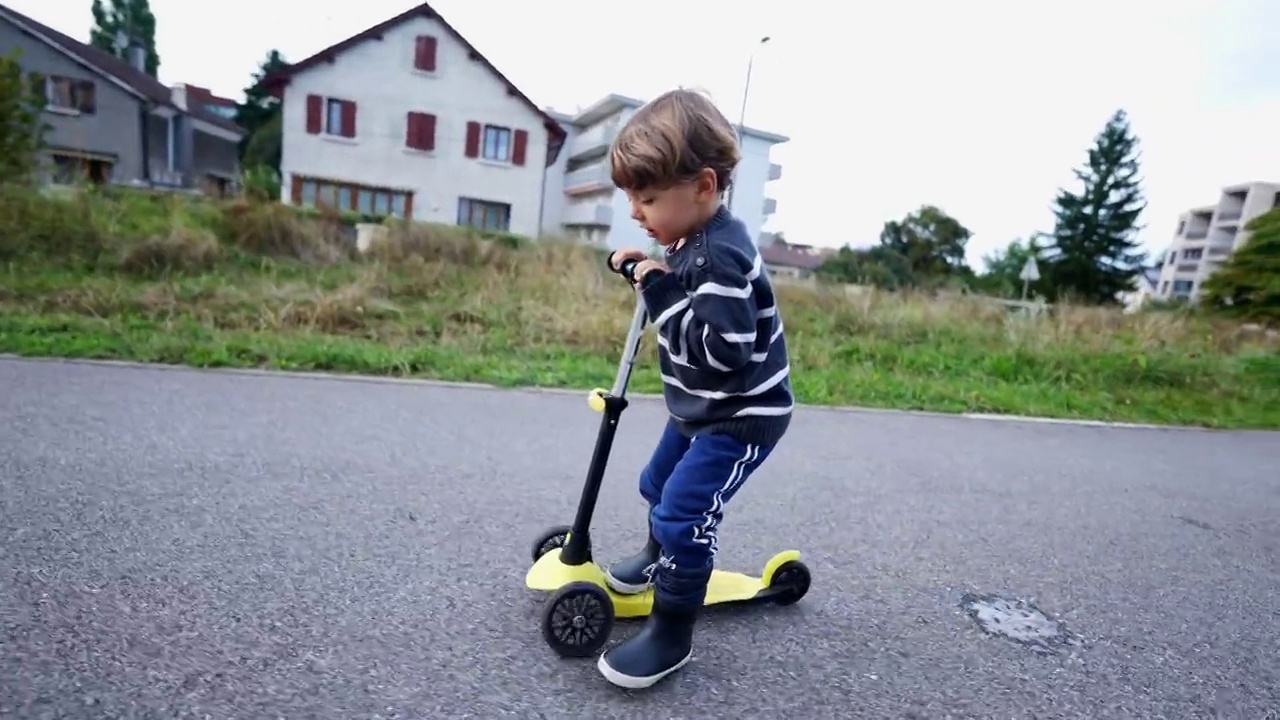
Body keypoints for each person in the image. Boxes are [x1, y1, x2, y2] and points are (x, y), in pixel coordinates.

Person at [597, 88, 794, 690]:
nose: (636, 211)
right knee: (656, 484)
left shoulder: (719, 260)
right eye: (632, 196)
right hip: (700, 409)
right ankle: (659, 559)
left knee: (684, 510)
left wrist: (657, 288)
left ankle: (672, 630)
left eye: (648, 197)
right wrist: (649, 268)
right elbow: (676, 288)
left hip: (739, 416)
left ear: (704, 187)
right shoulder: (689, 238)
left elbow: (721, 354)